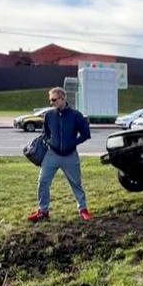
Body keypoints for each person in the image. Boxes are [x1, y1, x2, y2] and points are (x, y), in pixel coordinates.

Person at [27, 87, 92, 222]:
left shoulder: (76, 115)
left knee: (76, 183)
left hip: (70, 155)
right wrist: (49, 141)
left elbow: (86, 134)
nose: (51, 103)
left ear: (63, 98)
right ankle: (43, 211)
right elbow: (46, 133)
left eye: (54, 100)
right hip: (52, 154)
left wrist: (73, 142)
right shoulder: (49, 115)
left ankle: (83, 209)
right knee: (43, 181)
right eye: (50, 100)